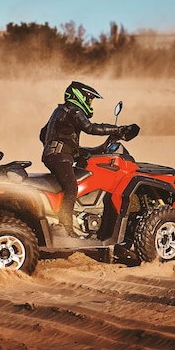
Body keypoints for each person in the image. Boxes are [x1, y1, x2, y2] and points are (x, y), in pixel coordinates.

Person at [41, 81, 133, 238]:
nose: (90, 103)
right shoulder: (72, 110)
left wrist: (73, 150)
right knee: (71, 188)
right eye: (89, 99)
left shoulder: (60, 111)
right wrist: (118, 129)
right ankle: (67, 228)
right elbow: (91, 128)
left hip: (57, 156)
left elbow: (43, 134)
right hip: (60, 157)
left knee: (67, 187)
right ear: (80, 96)